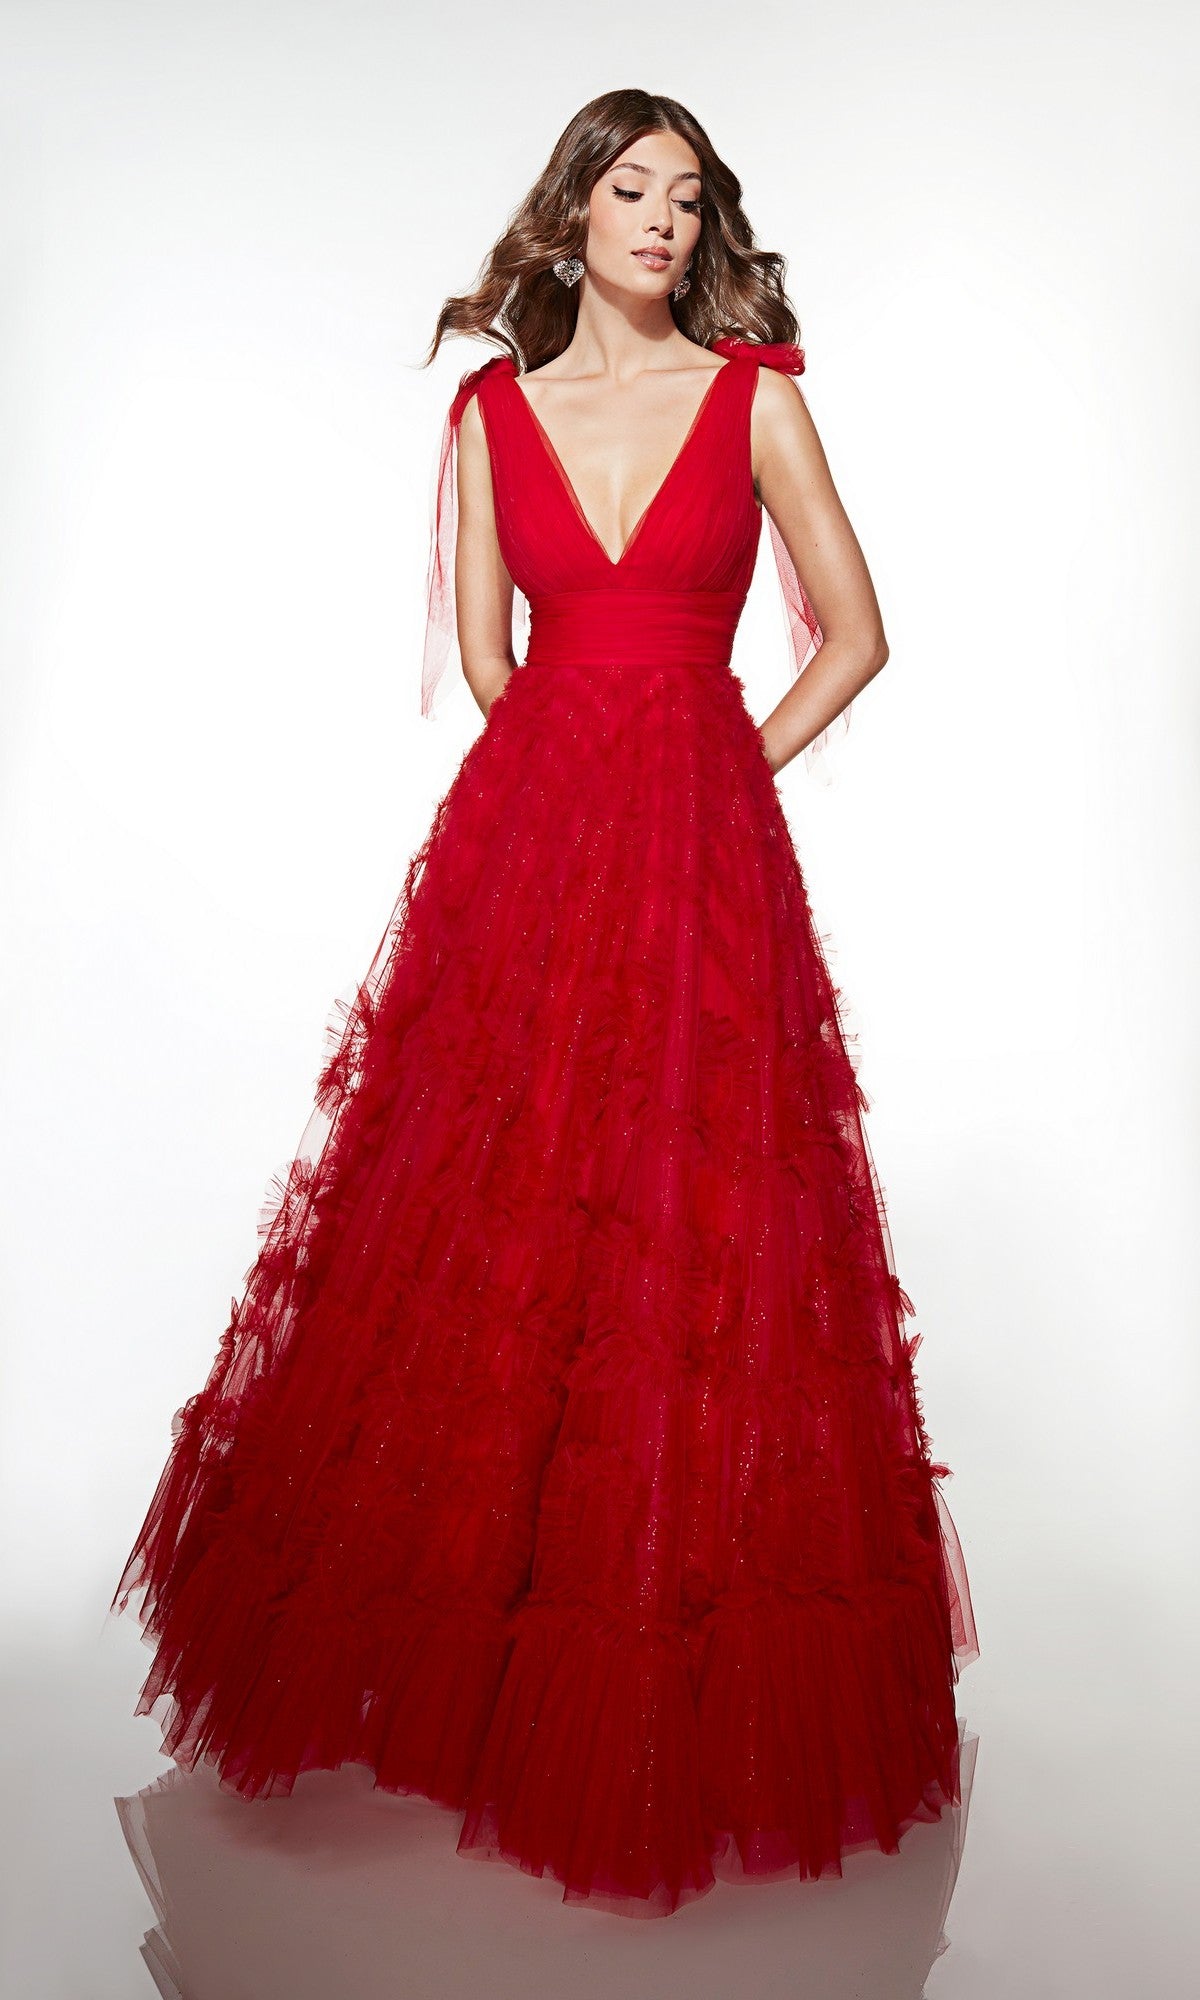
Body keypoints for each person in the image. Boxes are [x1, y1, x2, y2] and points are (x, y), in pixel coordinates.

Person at [110, 87, 979, 1921]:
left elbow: (858, 635)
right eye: (632, 188)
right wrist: (587, 803)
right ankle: (464, 1673)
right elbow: (492, 658)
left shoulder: (757, 399)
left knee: (694, 1227)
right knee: (492, 1218)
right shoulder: (490, 414)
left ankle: (653, 1658)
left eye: (691, 197)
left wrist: (711, 775)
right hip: (534, 847)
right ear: (573, 210)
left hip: (698, 849)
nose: (664, 219)